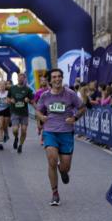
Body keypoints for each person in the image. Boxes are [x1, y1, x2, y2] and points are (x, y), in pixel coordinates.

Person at [35, 68, 85, 206]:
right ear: (50, 80)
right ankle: (55, 193)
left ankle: (63, 171)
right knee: (51, 160)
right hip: (50, 131)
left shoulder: (70, 94)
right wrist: (42, 117)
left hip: (66, 133)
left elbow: (82, 108)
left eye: (59, 77)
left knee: (65, 167)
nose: (57, 79)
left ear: (62, 78)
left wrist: (74, 117)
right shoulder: (45, 96)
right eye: (54, 77)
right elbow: (38, 110)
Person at [7, 72, 34, 153]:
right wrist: (10, 100)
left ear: (24, 79)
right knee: (15, 130)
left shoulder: (28, 89)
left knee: (24, 130)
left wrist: (28, 100)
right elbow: (7, 98)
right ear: (17, 79)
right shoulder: (12, 88)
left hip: (24, 113)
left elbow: (32, 101)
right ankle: (16, 138)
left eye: (22, 78)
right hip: (15, 111)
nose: (20, 79)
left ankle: (20, 145)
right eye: (19, 77)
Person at [0, 77, 11, 151]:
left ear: (5, 86)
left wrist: (9, 101)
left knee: (5, 126)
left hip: (7, 111)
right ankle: (0, 143)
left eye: (3, 85)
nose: (2, 87)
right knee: (0, 126)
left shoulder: (8, 93)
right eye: (0, 85)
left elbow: (12, 101)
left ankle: (6, 133)